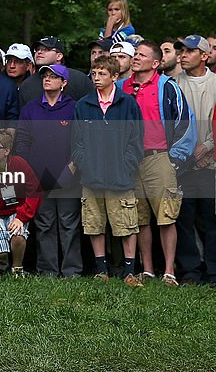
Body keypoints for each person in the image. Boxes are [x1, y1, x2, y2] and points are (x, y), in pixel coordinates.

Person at [120, 40, 195, 287]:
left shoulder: (167, 87)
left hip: (160, 157)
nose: (135, 58)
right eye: (135, 55)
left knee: (166, 217)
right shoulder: (122, 87)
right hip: (130, 160)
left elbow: (186, 121)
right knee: (139, 217)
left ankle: (169, 271)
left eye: (141, 55)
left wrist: (175, 158)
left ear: (154, 63)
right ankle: (149, 269)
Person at [72, 55, 144, 287]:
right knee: (94, 222)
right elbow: (77, 142)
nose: (96, 78)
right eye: (93, 73)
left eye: (102, 74)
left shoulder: (128, 103)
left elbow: (136, 139)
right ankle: (101, 269)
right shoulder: (83, 105)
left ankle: (130, 271)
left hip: (120, 175)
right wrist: (85, 163)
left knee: (126, 222)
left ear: (114, 76)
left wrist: (127, 165)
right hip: (91, 176)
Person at [14, 64, 81, 277]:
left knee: (69, 224)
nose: (47, 79)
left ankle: (72, 271)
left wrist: (72, 167)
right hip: (38, 177)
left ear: (64, 83)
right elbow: (22, 142)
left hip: (68, 175)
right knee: (44, 224)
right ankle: (47, 271)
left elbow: (81, 141)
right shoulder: (31, 109)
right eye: (45, 76)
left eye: (54, 77)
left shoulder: (74, 108)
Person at [171, 35, 216, 283]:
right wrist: (189, 150)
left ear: (205, 56)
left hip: (211, 165)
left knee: (210, 219)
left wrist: (207, 147)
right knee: (184, 218)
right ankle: (189, 270)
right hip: (184, 165)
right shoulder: (174, 83)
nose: (183, 55)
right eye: (182, 51)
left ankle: (213, 270)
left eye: (190, 51)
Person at [0, 129, 41, 277]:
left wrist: (21, 217)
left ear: (6, 151)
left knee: (18, 235)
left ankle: (17, 270)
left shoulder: (20, 165)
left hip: (18, 211)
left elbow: (35, 191)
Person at [19, 36, 93, 106]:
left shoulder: (79, 80)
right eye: (37, 49)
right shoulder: (27, 85)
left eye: (46, 49)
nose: (39, 52)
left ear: (59, 56)